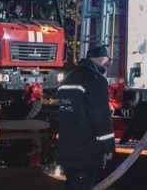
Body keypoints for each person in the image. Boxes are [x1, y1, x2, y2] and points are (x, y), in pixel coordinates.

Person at [56, 45, 116, 190]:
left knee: (72, 184)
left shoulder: (69, 77)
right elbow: (100, 116)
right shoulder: (96, 79)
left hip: (66, 149)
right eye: (108, 63)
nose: (107, 67)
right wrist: (108, 146)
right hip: (86, 151)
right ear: (102, 60)